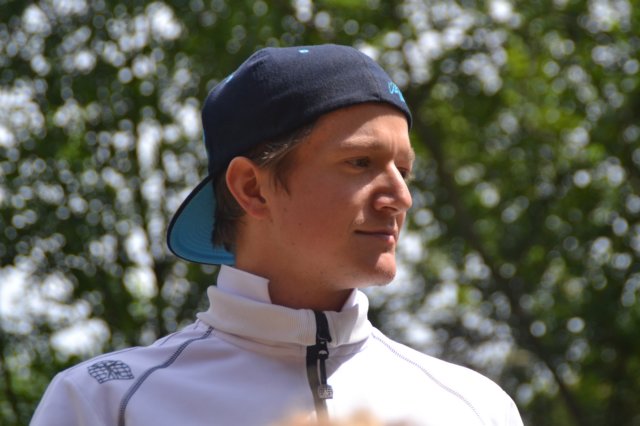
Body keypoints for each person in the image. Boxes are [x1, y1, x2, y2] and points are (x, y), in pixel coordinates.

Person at [31, 44, 523, 426]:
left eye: (404, 170)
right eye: (360, 162)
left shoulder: (476, 408)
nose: (400, 196)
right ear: (252, 188)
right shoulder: (103, 402)